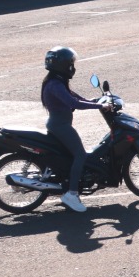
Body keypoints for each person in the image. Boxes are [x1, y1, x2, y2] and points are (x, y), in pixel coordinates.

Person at [41, 46, 104, 212]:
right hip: (60, 126)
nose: (73, 67)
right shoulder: (55, 85)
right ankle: (72, 194)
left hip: (58, 124)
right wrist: (98, 106)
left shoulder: (56, 82)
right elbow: (74, 103)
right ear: (63, 66)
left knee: (70, 156)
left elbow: (75, 97)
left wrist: (94, 101)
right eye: (71, 63)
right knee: (80, 154)